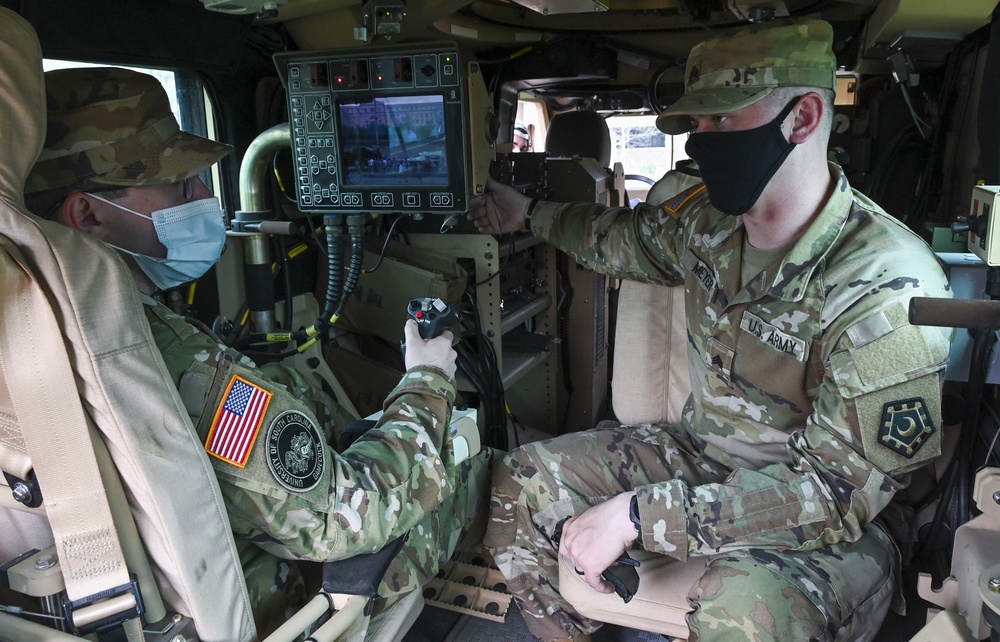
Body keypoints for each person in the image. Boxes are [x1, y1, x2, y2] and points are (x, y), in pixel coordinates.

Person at [468, 19, 953, 642]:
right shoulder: (706, 224)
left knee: (743, 616)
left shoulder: (887, 285)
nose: (700, 144)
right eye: (695, 125)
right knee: (516, 482)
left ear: (802, 119)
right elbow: (616, 239)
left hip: (828, 519)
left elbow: (836, 495)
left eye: (720, 120)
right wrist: (528, 213)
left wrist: (641, 518)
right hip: (701, 457)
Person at [24, 67, 493, 637]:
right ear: (89, 215)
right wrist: (426, 381)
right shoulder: (153, 355)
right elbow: (345, 519)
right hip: (292, 586)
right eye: (181, 185)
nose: (202, 197)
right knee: (480, 468)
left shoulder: (37, 328)